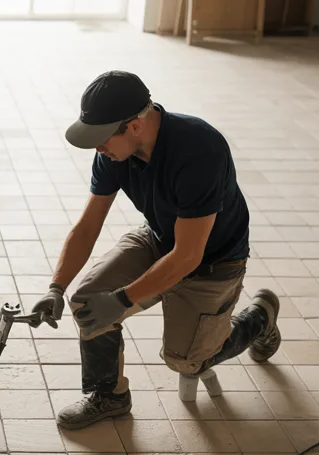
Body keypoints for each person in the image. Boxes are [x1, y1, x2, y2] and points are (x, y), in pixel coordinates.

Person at [31, 70, 281, 430]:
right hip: (160, 237)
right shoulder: (114, 154)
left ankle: (259, 319)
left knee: (187, 361)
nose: (98, 148)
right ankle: (110, 395)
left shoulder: (199, 150)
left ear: (134, 126)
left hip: (214, 261)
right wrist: (57, 287)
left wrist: (121, 300)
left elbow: (189, 256)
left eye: (102, 139)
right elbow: (87, 227)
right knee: (88, 301)